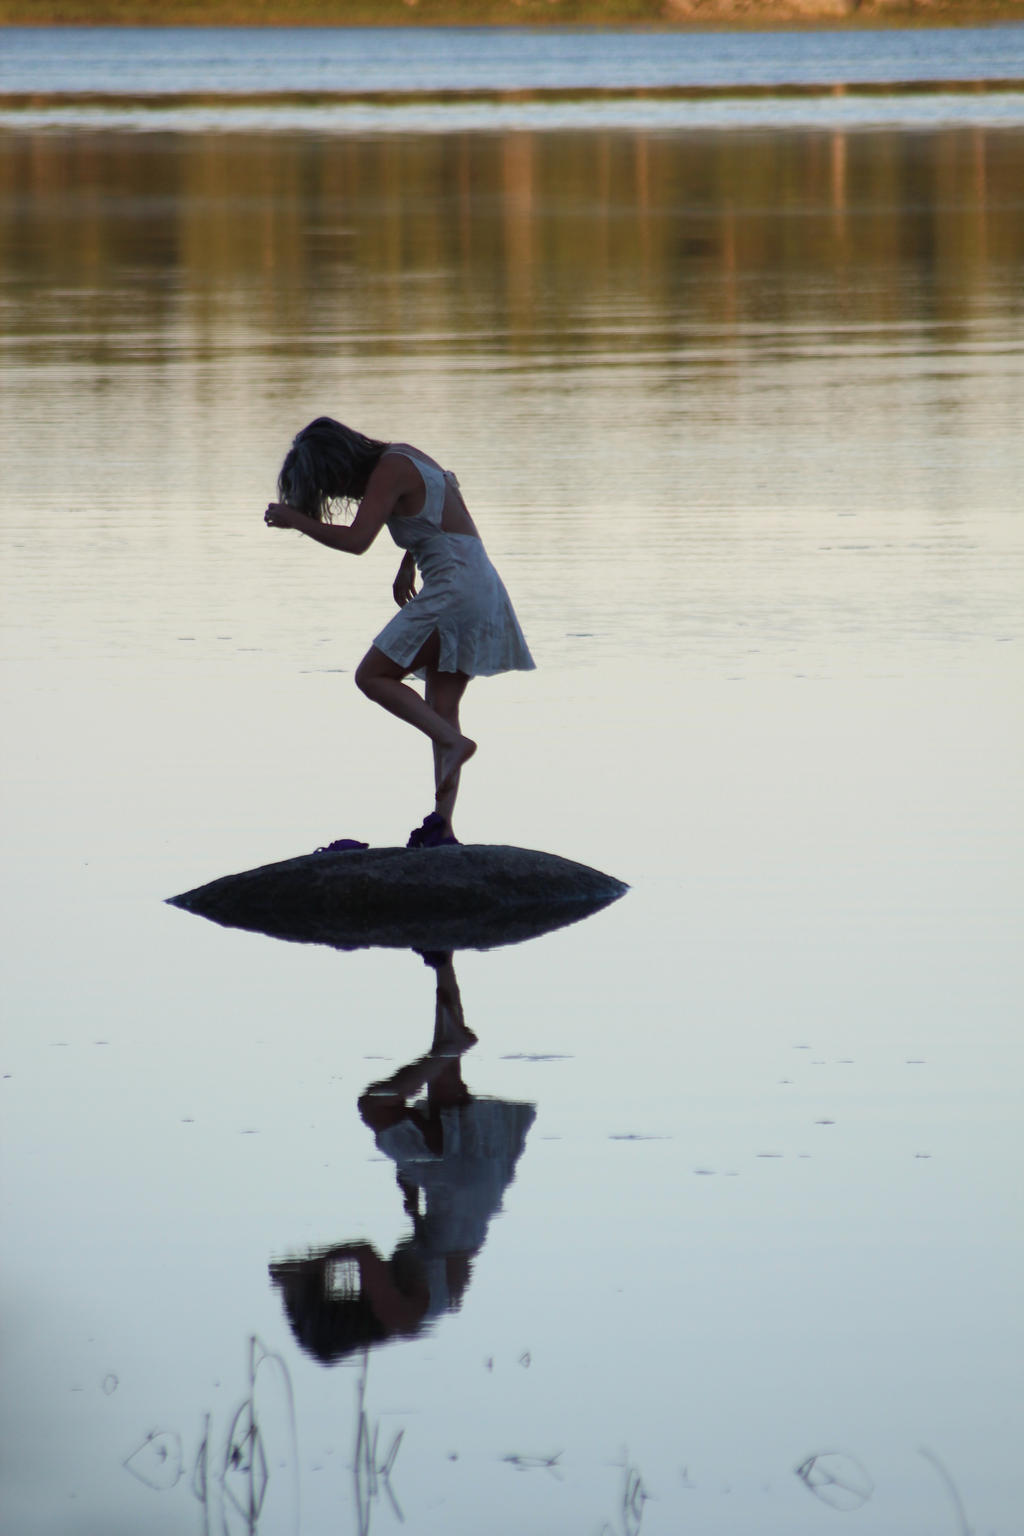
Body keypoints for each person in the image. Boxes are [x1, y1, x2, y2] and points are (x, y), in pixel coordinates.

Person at [264, 418, 534, 845]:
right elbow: (444, 501)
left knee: (372, 676)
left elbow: (357, 541)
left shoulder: (388, 469)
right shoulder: (404, 455)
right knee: (440, 706)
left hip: (454, 585)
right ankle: (441, 829)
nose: (335, 494)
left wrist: (297, 520)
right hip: (479, 581)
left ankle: (453, 742)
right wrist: (409, 559)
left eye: (329, 484)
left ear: (338, 463)